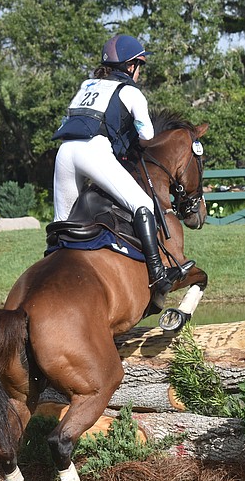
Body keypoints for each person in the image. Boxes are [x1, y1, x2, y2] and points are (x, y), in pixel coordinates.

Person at [52, 34, 192, 299]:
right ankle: (158, 275)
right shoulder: (131, 92)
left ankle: (49, 277)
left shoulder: (87, 86)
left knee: (62, 223)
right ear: (131, 66)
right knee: (144, 204)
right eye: (140, 66)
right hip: (93, 152)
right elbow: (147, 137)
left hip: (65, 153)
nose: (140, 72)